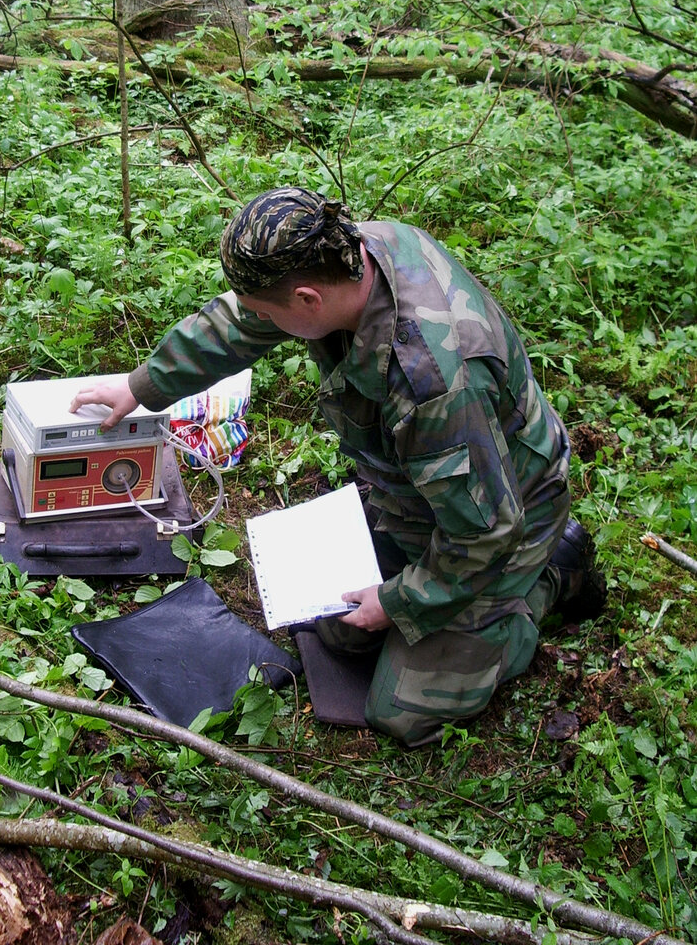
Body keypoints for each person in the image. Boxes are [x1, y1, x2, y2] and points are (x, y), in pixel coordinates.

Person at [70, 187, 606, 746]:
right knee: (337, 629)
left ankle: (546, 579)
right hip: (426, 493)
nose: (256, 318)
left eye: (266, 310)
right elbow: (238, 321)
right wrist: (140, 388)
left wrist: (400, 600)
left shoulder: (432, 386)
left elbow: (486, 530)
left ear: (307, 301)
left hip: (505, 512)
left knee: (404, 712)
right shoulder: (346, 251)